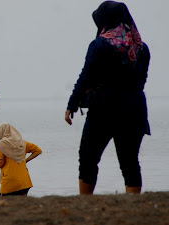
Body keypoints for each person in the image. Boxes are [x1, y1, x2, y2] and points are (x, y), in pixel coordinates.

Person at [65, 1, 151, 195]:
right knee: (129, 161)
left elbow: (86, 76)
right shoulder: (141, 48)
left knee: (88, 158)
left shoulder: (100, 45)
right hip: (134, 109)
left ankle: (86, 201)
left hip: (104, 109)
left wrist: (72, 104)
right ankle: (134, 203)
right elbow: (141, 81)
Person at [0, 123, 42, 196]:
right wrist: (25, 161)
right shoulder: (23, 143)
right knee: (22, 206)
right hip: (25, 182)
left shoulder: (0, 146)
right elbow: (38, 151)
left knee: (5, 205)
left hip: (9, 183)